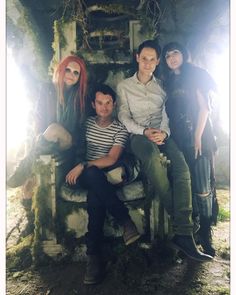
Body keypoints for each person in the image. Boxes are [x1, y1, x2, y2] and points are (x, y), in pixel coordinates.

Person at [117, 39, 213, 262]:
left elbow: (167, 115)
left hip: (162, 134)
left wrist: (164, 133)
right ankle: (186, 229)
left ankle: (183, 236)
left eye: (153, 59)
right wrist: (144, 131)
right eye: (144, 59)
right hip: (139, 137)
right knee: (152, 157)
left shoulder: (162, 86)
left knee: (182, 170)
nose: (148, 63)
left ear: (158, 61)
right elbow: (123, 116)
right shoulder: (124, 86)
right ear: (137, 58)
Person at [65, 84, 140, 285]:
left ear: (114, 105)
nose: (104, 107)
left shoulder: (120, 128)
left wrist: (85, 165)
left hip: (104, 175)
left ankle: (93, 258)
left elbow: (111, 158)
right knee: (92, 176)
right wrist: (81, 165)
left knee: (95, 196)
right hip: (85, 174)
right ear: (93, 104)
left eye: (108, 103)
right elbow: (78, 150)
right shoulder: (87, 124)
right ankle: (125, 221)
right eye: (100, 103)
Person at [162, 42, 218, 256]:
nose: (172, 57)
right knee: (187, 187)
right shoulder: (167, 82)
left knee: (203, 188)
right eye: (167, 55)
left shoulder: (195, 74)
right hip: (178, 138)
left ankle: (206, 234)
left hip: (199, 135)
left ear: (183, 54)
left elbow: (205, 108)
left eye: (175, 52)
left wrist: (197, 136)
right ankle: (192, 236)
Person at [7, 55, 88, 188]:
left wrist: (80, 158)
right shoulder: (47, 90)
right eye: (67, 70)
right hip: (48, 140)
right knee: (48, 135)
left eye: (76, 73)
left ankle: (24, 167)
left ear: (80, 77)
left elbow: (82, 127)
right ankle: (28, 191)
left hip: (69, 141)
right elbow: (38, 118)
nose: (71, 75)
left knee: (54, 128)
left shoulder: (80, 96)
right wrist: (40, 136)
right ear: (61, 70)